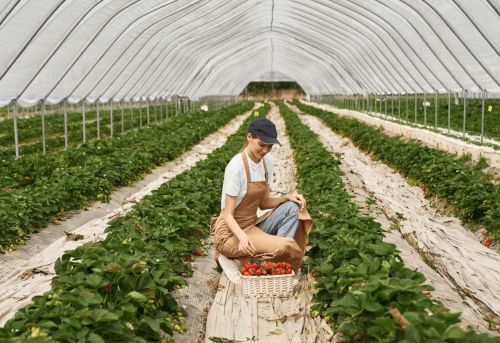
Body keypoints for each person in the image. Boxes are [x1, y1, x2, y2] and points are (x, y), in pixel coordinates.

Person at [211, 118, 312, 284]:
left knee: (293, 208)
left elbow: (264, 203)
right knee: (286, 245)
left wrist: (287, 197)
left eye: (270, 146)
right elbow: (228, 214)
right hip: (229, 234)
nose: (265, 150)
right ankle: (232, 256)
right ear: (249, 137)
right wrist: (242, 237)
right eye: (262, 144)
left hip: (251, 226)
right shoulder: (236, 167)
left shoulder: (266, 162)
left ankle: (274, 264)